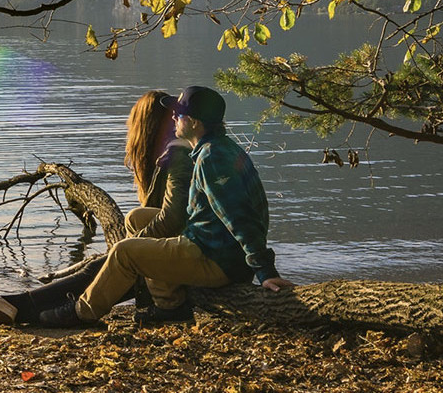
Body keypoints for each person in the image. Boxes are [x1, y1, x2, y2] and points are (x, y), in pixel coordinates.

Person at [36, 85, 294, 327]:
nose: (173, 118)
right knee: (138, 218)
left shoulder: (212, 159)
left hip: (217, 258)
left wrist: (264, 270)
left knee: (125, 252)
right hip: (212, 243)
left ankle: (82, 312)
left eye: (179, 114)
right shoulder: (214, 148)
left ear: (193, 122)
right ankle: (170, 306)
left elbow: (240, 217)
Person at [0, 89, 191, 326]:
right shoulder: (172, 157)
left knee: (102, 265)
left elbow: (171, 219)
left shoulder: (176, 160)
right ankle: (23, 305)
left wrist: (131, 245)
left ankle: (24, 306)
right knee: (104, 265)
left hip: (180, 258)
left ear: (143, 126)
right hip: (172, 251)